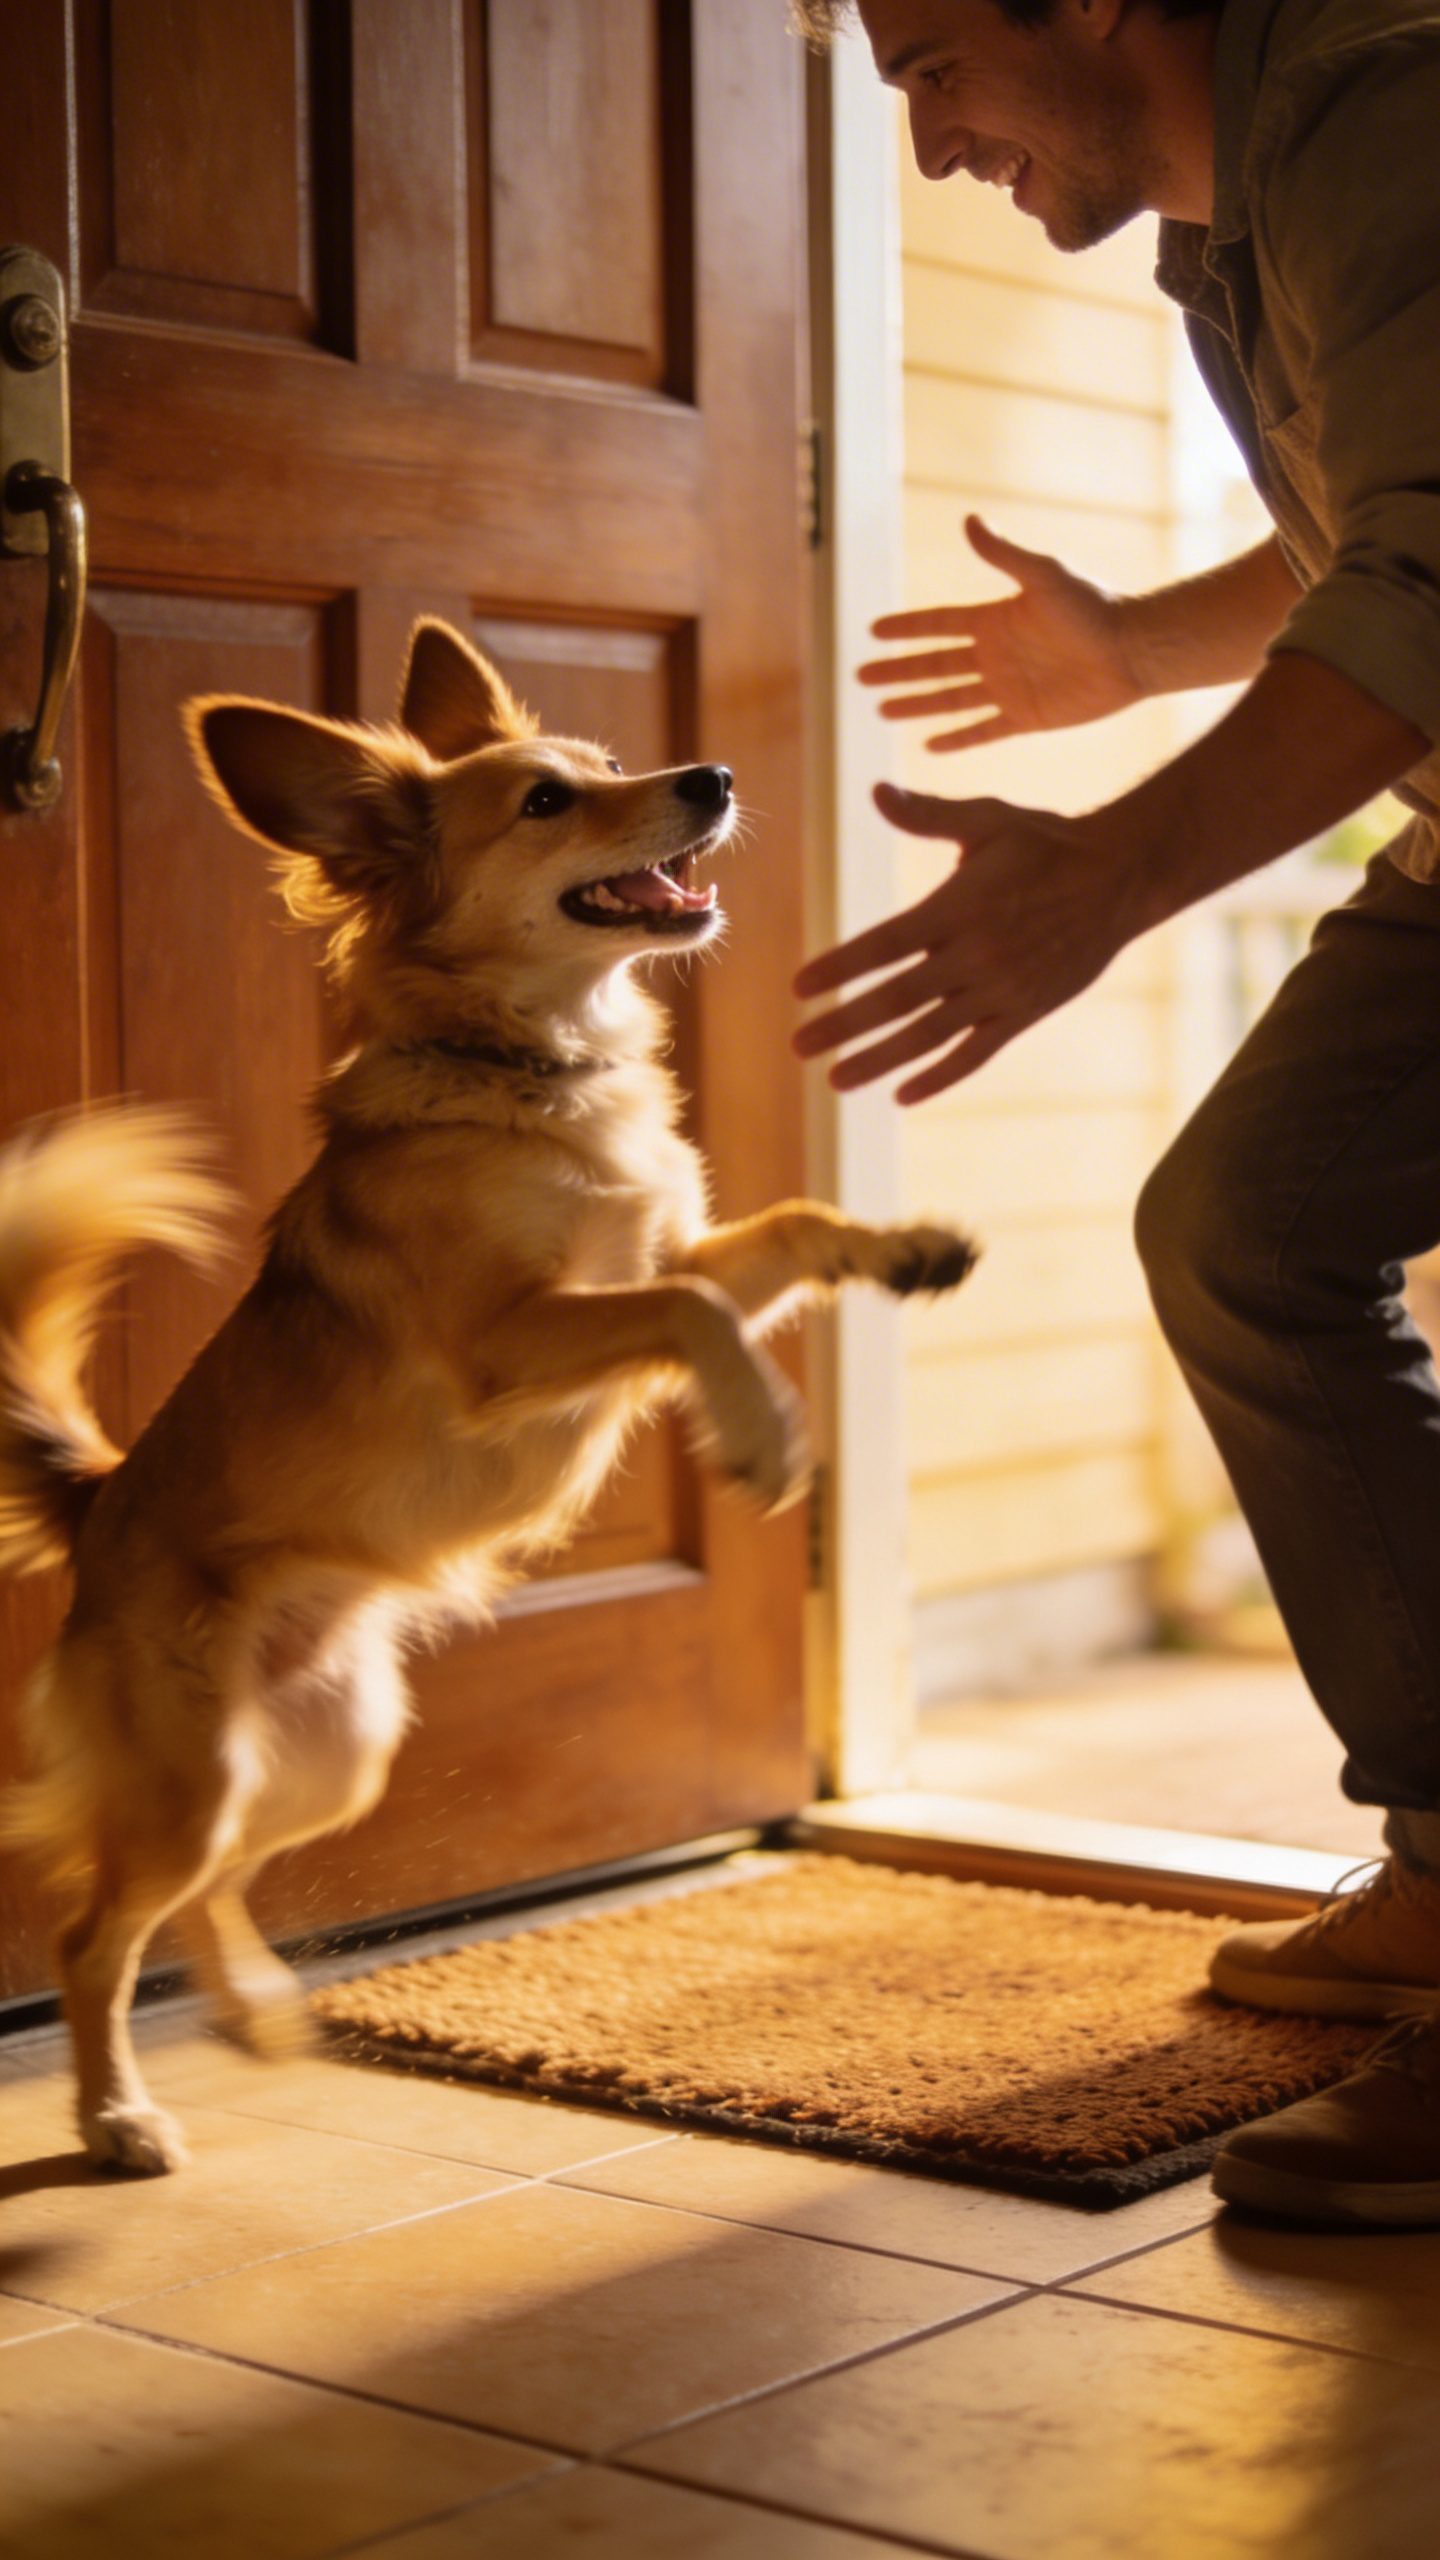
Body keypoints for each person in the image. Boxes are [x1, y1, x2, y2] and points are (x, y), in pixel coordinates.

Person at [790, 0, 1440, 2226]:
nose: (929, 137)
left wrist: (1111, 873)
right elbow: (1384, 508)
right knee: (1250, 1222)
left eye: (931, 66)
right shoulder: (1233, 227)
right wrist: (1134, 654)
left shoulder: (1390, 95)